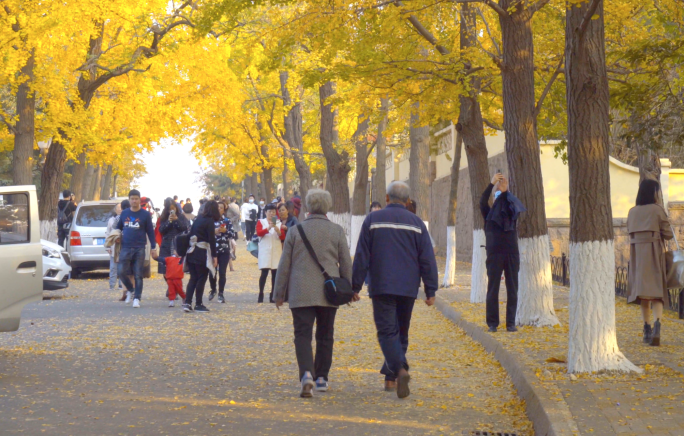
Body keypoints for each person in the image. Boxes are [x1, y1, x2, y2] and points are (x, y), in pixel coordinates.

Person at [352, 181, 438, 399]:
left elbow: (362, 255)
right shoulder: (417, 223)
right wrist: (430, 290)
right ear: (408, 201)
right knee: (401, 331)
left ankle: (400, 371)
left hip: (382, 285)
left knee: (387, 332)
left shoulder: (373, 220)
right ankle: (390, 378)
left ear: (387, 198)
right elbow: (427, 258)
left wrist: (355, 286)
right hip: (408, 287)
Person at [274, 189, 352, 397]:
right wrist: (350, 288)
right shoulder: (336, 231)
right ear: (327, 207)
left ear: (307, 207)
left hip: (300, 292)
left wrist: (279, 293)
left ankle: (307, 374)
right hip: (329, 291)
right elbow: (345, 262)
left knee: (302, 334)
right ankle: (321, 378)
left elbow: (284, 265)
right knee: (326, 335)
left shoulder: (295, 231)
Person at [627, 179, 674, 346]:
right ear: (654, 192)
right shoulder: (657, 210)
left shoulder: (632, 212)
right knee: (656, 293)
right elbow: (668, 234)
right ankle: (657, 328)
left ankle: (646, 330)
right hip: (654, 254)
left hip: (638, 257)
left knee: (643, 295)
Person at [480, 173, 526, 333]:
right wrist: (491, 184)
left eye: (502, 195)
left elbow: (515, 204)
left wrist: (505, 192)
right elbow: (482, 201)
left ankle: (510, 323)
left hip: (511, 253)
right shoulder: (488, 213)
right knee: (493, 288)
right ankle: (492, 323)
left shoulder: (512, 209)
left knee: (512, 288)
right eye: (497, 195)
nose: (499, 198)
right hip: (494, 253)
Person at [116, 190, 158, 308]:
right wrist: (116, 238)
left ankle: (137, 298)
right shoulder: (124, 213)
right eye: (132, 199)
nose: (134, 201)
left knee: (138, 274)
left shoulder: (145, 215)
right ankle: (130, 289)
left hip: (140, 247)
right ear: (129, 200)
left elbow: (150, 232)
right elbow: (118, 228)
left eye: (136, 198)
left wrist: (153, 247)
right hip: (125, 247)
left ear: (139, 200)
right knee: (121, 271)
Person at [183, 200, 219, 313]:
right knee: (202, 278)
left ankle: (187, 302)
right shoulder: (209, 221)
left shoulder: (198, 219)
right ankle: (198, 303)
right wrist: (214, 256)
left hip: (191, 251)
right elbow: (212, 240)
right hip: (201, 252)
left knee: (193, 278)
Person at [159, 198, 190, 307]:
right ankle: (170, 286)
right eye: (170, 209)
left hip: (177, 243)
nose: (172, 211)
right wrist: (169, 221)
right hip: (166, 243)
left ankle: (174, 289)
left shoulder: (181, 217)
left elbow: (184, 228)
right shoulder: (163, 217)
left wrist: (176, 220)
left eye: (173, 209)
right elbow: (161, 230)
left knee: (176, 269)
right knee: (165, 269)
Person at [209, 201, 238, 303]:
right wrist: (214, 231)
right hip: (212, 250)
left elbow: (232, 235)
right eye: (217, 208)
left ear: (224, 210)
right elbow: (205, 234)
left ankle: (221, 293)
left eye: (221, 208)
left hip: (224, 249)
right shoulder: (209, 221)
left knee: (222, 272)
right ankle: (213, 289)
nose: (219, 210)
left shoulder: (227, 221)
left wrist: (225, 231)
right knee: (212, 272)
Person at [256, 204, 286, 303]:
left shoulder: (278, 223)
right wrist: (268, 228)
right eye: (269, 212)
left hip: (276, 251)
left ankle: (273, 294)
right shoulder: (261, 222)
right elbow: (259, 233)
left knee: (275, 274)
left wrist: (278, 230)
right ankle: (261, 293)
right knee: (264, 273)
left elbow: (282, 237)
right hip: (265, 250)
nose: (271, 213)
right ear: (265, 212)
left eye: (273, 212)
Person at [105, 202, 124, 295]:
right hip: (113, 247)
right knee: (113, 267)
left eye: (121, 208)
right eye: (118, 208)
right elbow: (108, 233)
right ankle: (112, 285)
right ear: (115, 210)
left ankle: (121, 285)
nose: (120, 209)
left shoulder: (125, 219)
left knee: (122, 266)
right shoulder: (111, 220)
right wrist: (108, 246)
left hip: (123, 246)